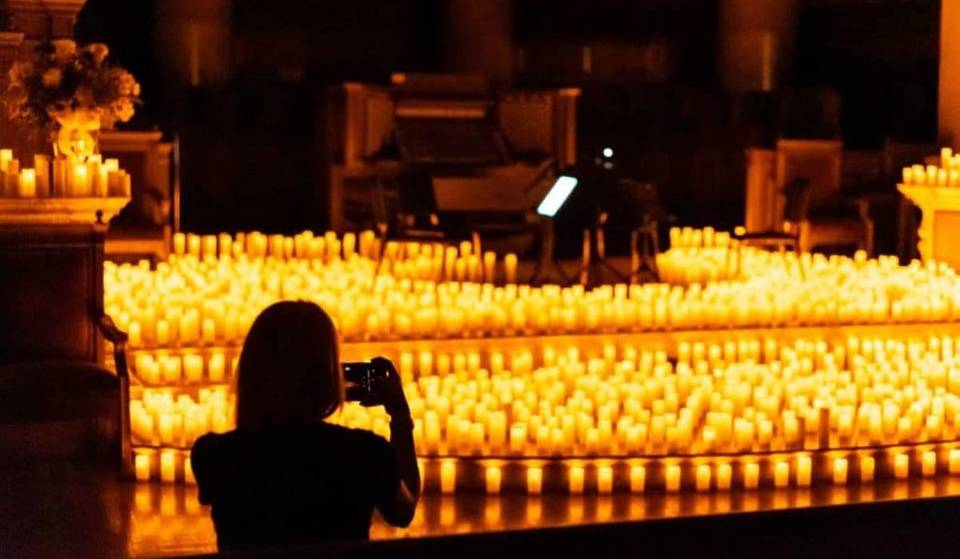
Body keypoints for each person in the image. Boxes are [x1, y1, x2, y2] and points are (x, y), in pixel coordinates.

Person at [190, 301, 420, 551]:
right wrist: (400, 415)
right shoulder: (365, 453)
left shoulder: (215, 455)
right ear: (327, 374)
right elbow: (404, 511)